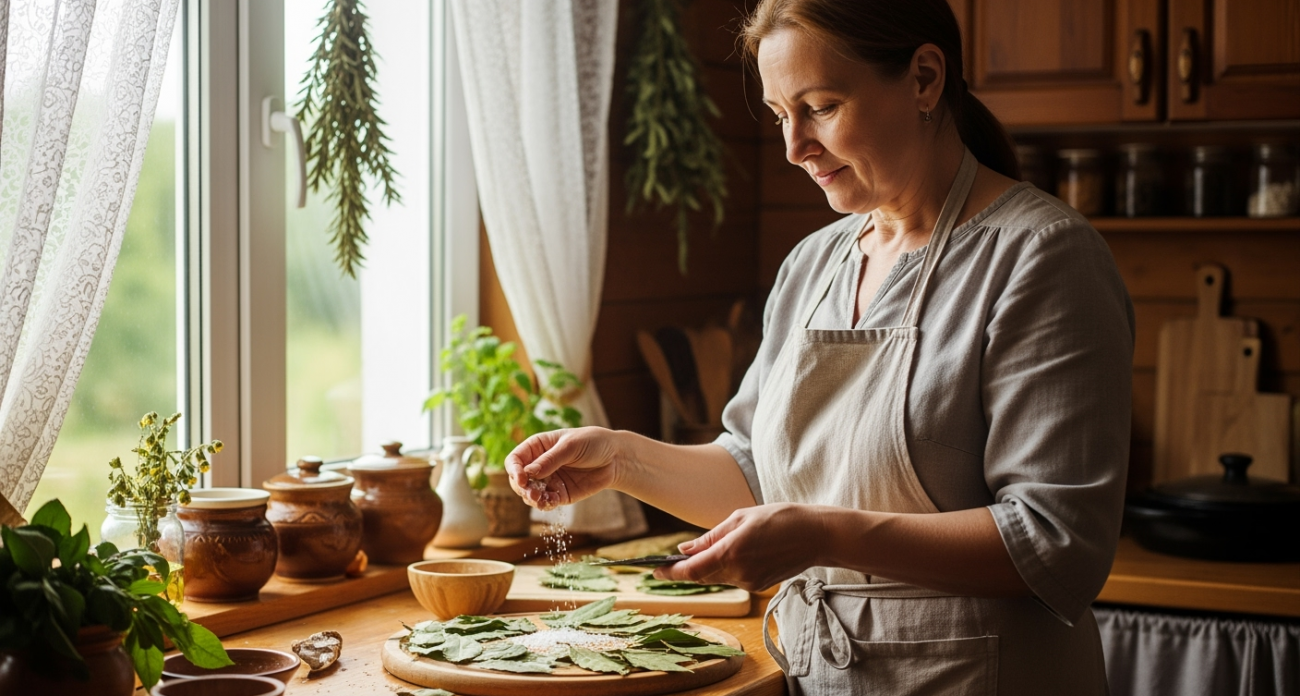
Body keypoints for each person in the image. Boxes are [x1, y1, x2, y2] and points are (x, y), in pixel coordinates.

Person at [505, 1, 1134, 693]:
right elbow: (756, 476)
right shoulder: (814, 264)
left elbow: (1056, 542)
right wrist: (620, 458)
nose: (794, 146)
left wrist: (825, 535)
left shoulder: (1041, 256)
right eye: (781, 115)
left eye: (821, 108)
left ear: (924, 79)